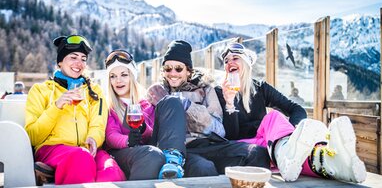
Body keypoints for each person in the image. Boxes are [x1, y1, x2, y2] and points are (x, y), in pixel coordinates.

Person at [215, 42, 366, 183]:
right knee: (273, 118)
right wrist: (229, 102)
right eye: (226, 61)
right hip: (244, 147)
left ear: (246, 64)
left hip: (273, 146)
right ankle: (291, 149)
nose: (230, 63)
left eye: (235, 58)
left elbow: (296, 109)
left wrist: (293, 135)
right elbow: (230, 135)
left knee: (292, 150)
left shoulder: (260, 88)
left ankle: (333, 164)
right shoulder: (218, 92)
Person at [147, 40, 270, 178]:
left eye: (178, 68)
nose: (173, 73)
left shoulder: (205, 90)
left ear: (188, 71)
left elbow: (219, 129)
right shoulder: (157, 93)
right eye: (168, 69)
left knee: (257, 153)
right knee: (204, 168)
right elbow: (152, 130)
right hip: (183, 151)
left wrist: (188, 106)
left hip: (211, 144)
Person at [24, 35, 126, 185]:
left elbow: (98, 124)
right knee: (80, 158)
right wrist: (56, 107)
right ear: (60, 61)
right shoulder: (41, 90)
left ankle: (58, 173)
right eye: (73, 57)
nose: (79, 63)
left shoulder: (94, 91)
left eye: (83, 59)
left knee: (112, 173)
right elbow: (33, 136)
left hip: (87, 150)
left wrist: (94, 138)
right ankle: (60, 169)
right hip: (52, 150)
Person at [103, 49, 166, 180]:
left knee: (153, 155)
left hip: (144, 150)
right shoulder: (109, 107)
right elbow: (110, 135)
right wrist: (127, 141)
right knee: (150, 155)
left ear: (132, 76)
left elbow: (153, 132)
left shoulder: (145, 104)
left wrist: (143, 129)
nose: (118, 80)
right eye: (112, 76)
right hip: (120, 153)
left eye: (124, 75)